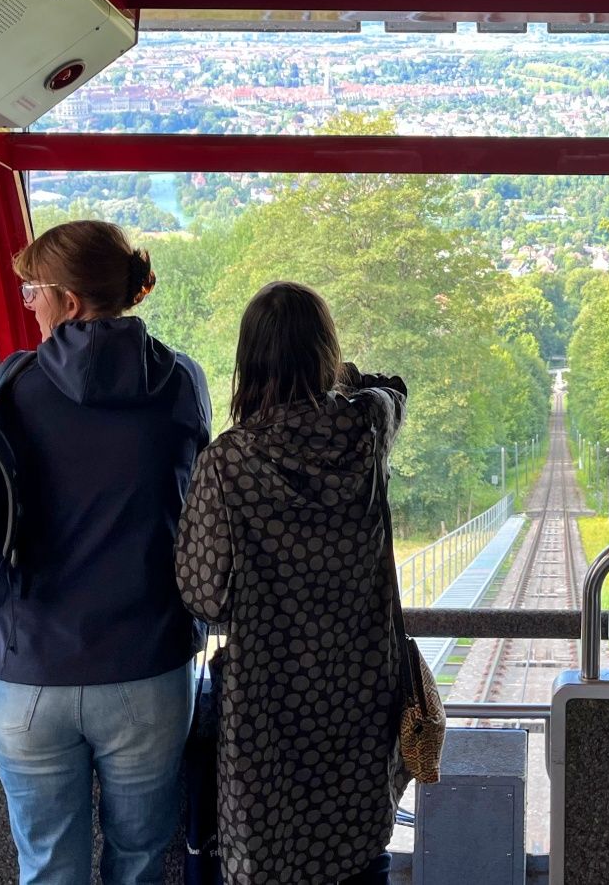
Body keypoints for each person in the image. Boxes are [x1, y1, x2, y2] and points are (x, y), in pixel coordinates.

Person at [0, 220, 212, 885]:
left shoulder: (14, 386)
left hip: (29, 670)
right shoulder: (180, 382)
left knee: (49, 866)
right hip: (146, 668)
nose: (30, 305)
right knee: (139, 862)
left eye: (33, 293)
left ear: (69, 302)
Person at [174, 282, 409, 885]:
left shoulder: (228, 461)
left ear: (247, 362)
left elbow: (204, 592)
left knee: (269, 853)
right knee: (358, 848)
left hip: (266, 702)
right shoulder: (370, 429)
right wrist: (343, 381)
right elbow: (391, 388)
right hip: (360, 686)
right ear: (326, 353)